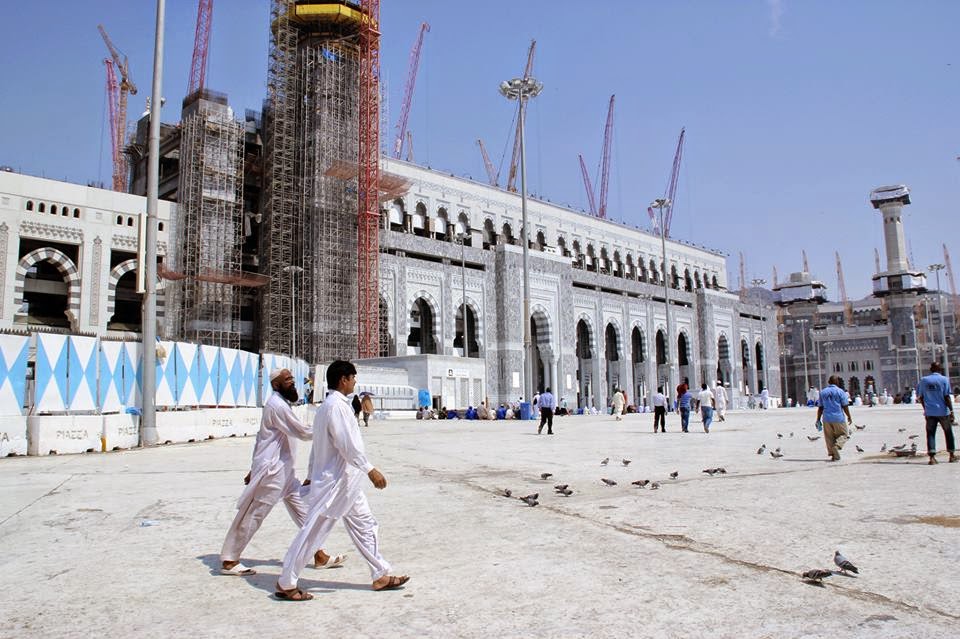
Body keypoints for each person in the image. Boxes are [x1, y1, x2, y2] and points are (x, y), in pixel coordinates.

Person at [275, 360, 409, 601]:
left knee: (366, 524)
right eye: (353, 378)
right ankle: (287, 581)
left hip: (348, 481)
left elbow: (319, 446)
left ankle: (380, 573)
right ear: (343, 379)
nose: (355, 382)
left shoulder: (332, 406)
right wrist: (370, 469)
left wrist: (310, 473)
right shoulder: (335, 407)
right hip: (335, 482)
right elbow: (346, 445)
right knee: (315, 531)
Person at [220, 368, 343, 577]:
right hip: (273, 472)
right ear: (276, 385)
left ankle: (318, 554)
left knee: (304, 513)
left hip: (284, 472)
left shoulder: (280, 404)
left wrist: (253, 467)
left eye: (292, 379)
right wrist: (327, 428)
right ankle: (230, 559)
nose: (292, 383)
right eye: (287, 380)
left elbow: (261, 439)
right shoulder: (277, 406)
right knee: (254, 514)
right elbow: (302, 432)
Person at [917, 362, 957, 465]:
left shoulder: (924, 380)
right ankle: (952, 455)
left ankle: (932, 458)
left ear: (930, 369)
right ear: (940, 369)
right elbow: (947, 396)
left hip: (930, 412)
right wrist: (951, 411)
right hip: (943, 411)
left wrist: (926, 408)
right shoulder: (944, 379)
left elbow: (920, 397)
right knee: (948, 433)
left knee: (930, 433)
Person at [815, 375, 852, 461]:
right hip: (838, 417)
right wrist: (849, 416)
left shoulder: (823, 392)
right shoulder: (840, 391)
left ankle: (833, 455)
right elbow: (845, 405)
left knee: (829, 437)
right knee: (844, 434)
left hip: (826, 418)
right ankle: (837, 446)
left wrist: (818, 419)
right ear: (837, 382)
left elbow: (820, 407)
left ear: (829, 382)